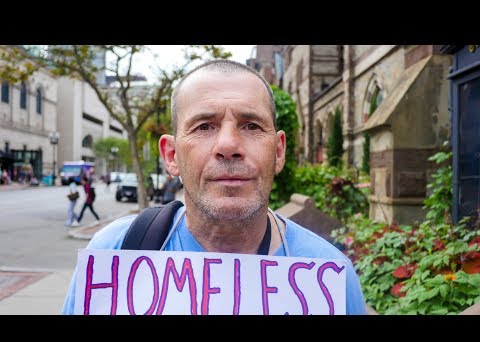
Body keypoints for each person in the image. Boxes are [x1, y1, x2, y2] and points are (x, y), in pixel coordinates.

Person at [61, 59, 366, 315]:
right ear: (171, 155)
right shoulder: (114, 252)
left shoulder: (331, 277)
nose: (228, 145)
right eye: (204, 126)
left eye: (251, 126)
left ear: (278, 151)